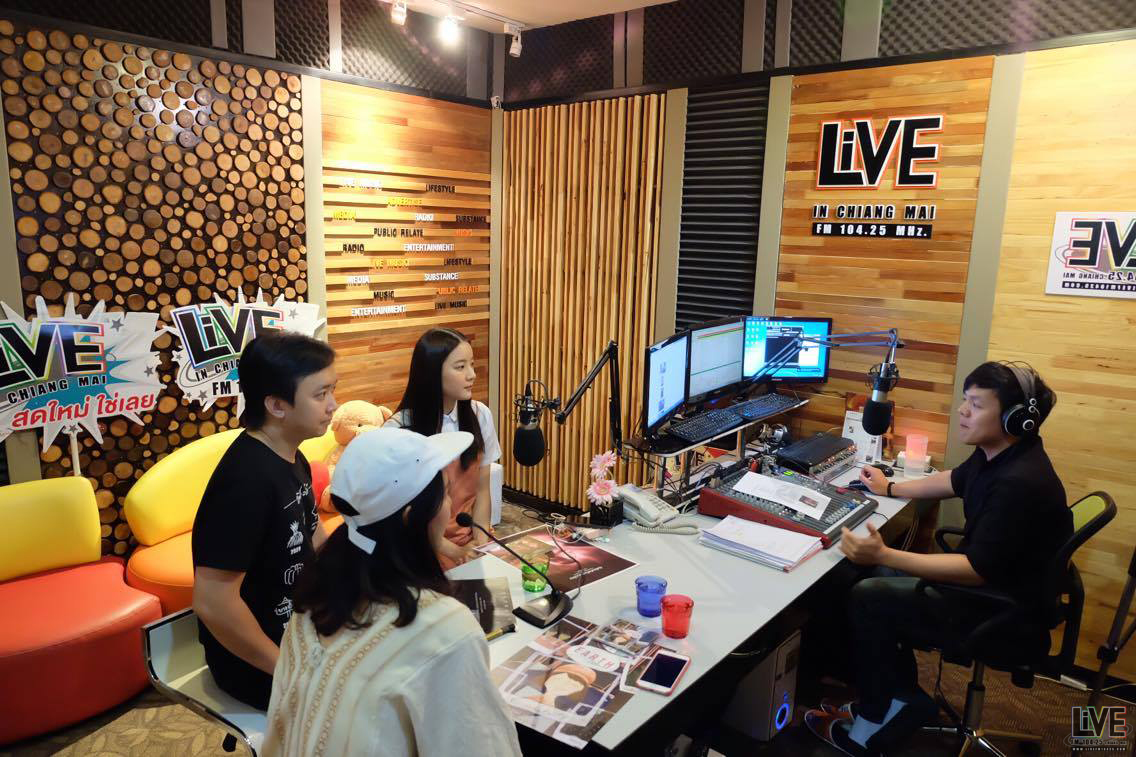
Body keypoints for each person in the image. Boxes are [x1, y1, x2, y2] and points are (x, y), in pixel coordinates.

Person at [806, 361, 1071, 756]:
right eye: (965, 400)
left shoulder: (1019, 483)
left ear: (1016, 419)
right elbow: (954, 480)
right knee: (875, 575)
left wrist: (885, 551)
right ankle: (899, 698)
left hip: (998, 609)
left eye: (976, 405)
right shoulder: (1002, 454)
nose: (962, 411)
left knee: (868, 595)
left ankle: (872, 724)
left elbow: (974, 570)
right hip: (999, 590)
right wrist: (891, 487)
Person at [263, 428, 522, 757]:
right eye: (445, 494)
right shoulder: (445, 630)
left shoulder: (310, 603)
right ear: (412, 518)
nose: (450, 506)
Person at [191, 332, 338, 710]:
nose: (333, 405)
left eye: (332, 391)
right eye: (320, 395)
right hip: (259, 664)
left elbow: (313, 534)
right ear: (276, 405)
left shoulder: (292, 455)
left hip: (302, 630)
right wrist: (288, 670)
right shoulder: (246, 481)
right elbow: (213, 603)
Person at [385, 328, 501, 569]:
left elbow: (482, 489)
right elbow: (401, 515)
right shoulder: (399, 430)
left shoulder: (480, 415)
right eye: (460, 367)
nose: (472, 375)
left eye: (472, 364)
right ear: (431, 373)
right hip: (421, 549)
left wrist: (480, 544)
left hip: (469, 540)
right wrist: (455, 552)